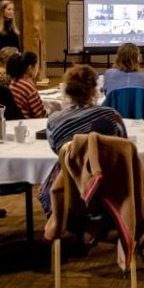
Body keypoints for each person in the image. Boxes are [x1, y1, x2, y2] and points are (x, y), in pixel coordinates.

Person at [39, 65, 128, 215]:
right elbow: (123, 146)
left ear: (67, 90)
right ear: (94, 90)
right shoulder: (111, 117)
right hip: (107, 190)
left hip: (67, 191)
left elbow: (56, 150)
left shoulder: (54, 121)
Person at [8, 51, 47, 119]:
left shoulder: (14, 81)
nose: (38, 69)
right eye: (37, 65)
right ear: (30, 68)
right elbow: (41, 116)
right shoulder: (28, 87)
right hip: (30, 123)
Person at [0, 0, 20, 69]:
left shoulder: (12, 29)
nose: (12, 12)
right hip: (0, 65)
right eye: (9, 9)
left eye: (13, 9)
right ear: (2, 11)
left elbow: (17, 48)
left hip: (13, 65)